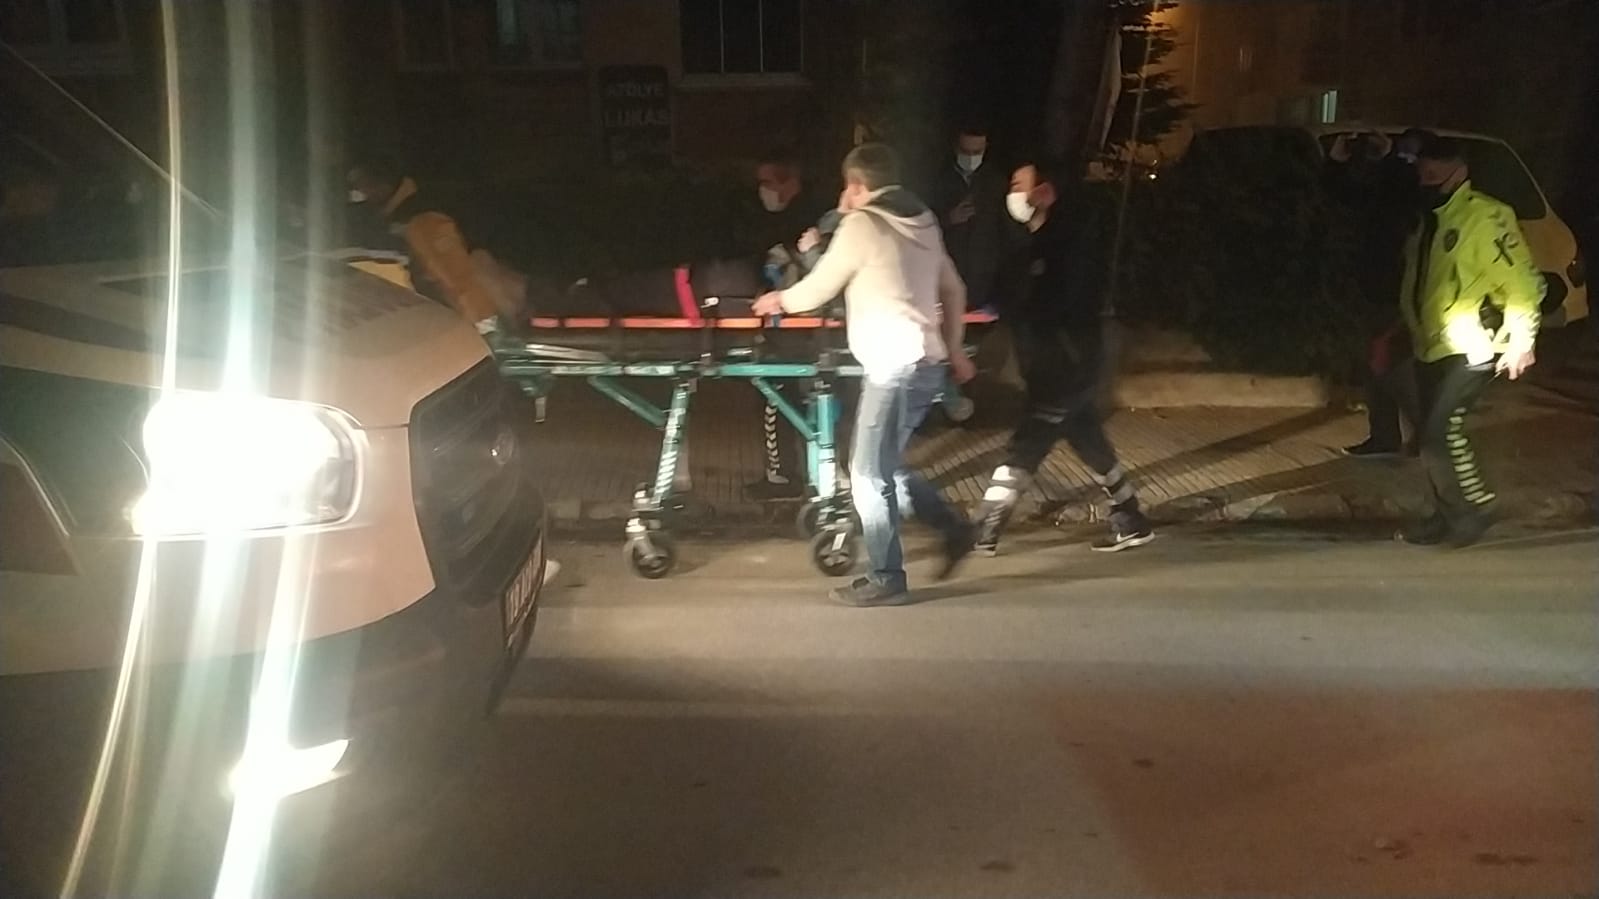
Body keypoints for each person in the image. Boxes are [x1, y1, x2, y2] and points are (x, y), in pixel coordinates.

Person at [752, 143, 976, 607]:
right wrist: (954, 348)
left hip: (892, 368)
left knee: (866, 474)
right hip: (927, 366)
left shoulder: (862, 224)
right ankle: (953, 530)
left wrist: (779, 300)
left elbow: (819, 288)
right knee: (885, 466)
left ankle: (886, 576)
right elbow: (954, 289)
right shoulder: (924, 221)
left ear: (855, 185)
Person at [969, 157, 1154, 556]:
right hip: (1057, 364)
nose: (1011, 195)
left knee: (1028, 443)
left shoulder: (1066, 247)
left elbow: (1054, 306)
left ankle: (986, 525)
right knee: (1088, 440)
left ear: (1045, 192)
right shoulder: (1035, 243)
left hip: (1063, 364)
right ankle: (1130, 517)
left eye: (1019, 186)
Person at [1396, 135, 1543, 547]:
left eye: (1435, 168)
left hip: (1473, 344)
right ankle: (1446, 514)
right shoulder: (1429, 218)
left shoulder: (1485, 217)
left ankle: (1474, 509)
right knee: (1428, 436)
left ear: (1459, 170)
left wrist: (1522, 339)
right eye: (1422, 168)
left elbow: (1522, 283)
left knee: (1442, 432)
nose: (1426, 175)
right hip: (1431, 344)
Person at [1324, 128, 1430, 457]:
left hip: (1394, 288)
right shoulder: (1374, 185)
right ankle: (1384, 436)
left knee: (1393, 364)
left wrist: (1391, 159)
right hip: (1368, 286)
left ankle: (1427, 437)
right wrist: (1337, 163)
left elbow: (1402, 201)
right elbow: (1339, 201)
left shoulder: (1404, 186)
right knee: (1375, 366)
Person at [743, 151, 832, 500]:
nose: (762, 190)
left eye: (768, 182)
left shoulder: (808, 223)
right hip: (799, 324)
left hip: (799, 325)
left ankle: (783, 477)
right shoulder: (793, 217)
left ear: (790, 182)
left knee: (774, 394)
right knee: (798, 401)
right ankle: (805, 476)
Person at [346, 153, 514, 338]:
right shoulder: (401, 215)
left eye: (362, 185)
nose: (359, 194)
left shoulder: (419, 220)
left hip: (460, 325)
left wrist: (485, 329)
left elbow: (458, 278)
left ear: (382, 184)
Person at [930, 125, 1006, 307]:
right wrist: (949, 219)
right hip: (947, 268)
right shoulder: (937, 179)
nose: (971, 158)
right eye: (966, 151)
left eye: (977, 152)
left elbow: (1004, 229)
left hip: (983, 274)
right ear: (956, 147)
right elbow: (921, 224)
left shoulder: (995, 182)